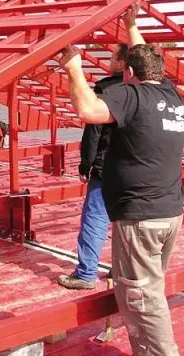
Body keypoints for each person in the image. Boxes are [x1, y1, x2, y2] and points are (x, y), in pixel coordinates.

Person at [59, 3, 184, 356]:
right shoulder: (170, 95)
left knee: (142, 297)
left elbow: (88, 111)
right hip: (169, 212)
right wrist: (132, 24)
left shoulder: (130, 95)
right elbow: (145, 58)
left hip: (141, 217)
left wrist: (74, 68)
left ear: (128, 72)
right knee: (149, 287)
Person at [57, 58, 124, 289]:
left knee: (95, 219)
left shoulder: (106, 89)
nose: (109, 61)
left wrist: (86, 163)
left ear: (124, 63)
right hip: (134, 170)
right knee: (125, 221)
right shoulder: (142, 92)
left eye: (115, 57)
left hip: (106, 168)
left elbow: (94, 131)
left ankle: (86, 274)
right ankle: (120, 270)